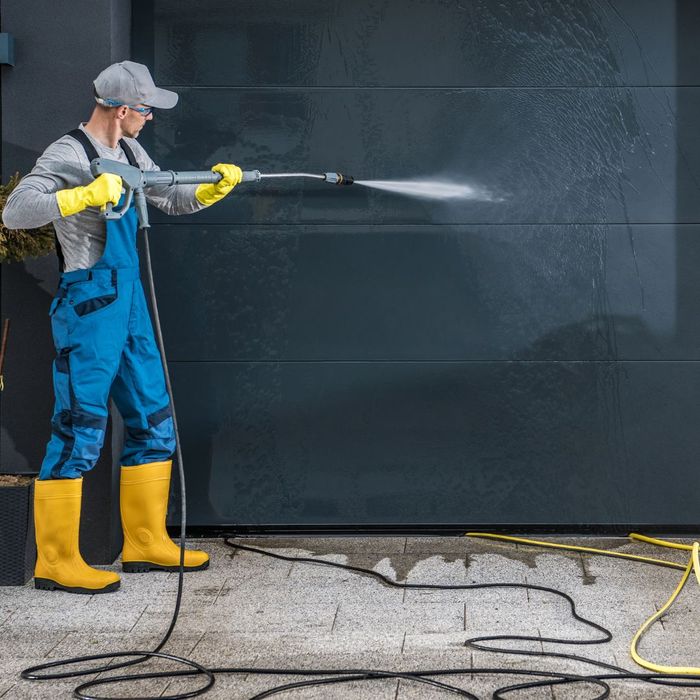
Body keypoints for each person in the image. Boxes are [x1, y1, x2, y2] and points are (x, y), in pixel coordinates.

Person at [2, 61, 241, 594]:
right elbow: (16, 213)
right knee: (80, 425)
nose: (150, 117)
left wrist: (209, 189)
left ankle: (144, 543)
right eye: (146, 108)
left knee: (155, 415)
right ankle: (57, 562)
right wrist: (82, 195)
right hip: (89, 304)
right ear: (120, 107)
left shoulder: (131, 151)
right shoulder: (68, 154)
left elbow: (165, 196)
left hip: (129, 303)